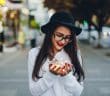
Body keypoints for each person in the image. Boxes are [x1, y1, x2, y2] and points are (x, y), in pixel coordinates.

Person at [28, 11, 85, 96]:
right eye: (59, 35)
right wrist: (51, 74)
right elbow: (34, 91)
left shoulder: (75, 54)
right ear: (50, 33)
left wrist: (66, 76)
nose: (63, 41)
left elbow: (78, 91)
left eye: (67, 37)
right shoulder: (34, 54)